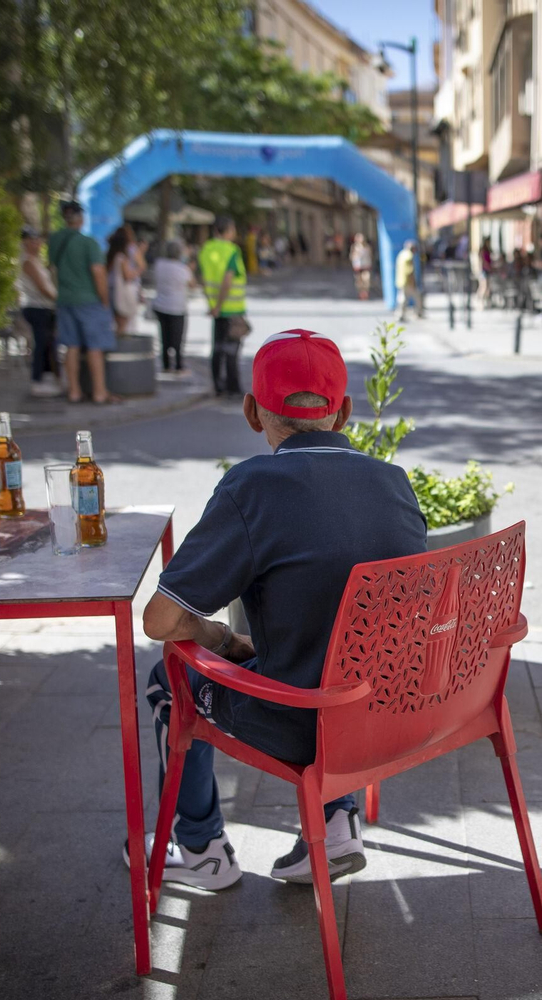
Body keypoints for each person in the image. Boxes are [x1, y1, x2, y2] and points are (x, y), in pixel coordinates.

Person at [130, 328, 428, 889]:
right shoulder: (394, 483)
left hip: (301, 721)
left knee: (166, 679)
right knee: (340, 659)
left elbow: (161, 621)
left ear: (250, 411)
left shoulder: (253, 486)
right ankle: (338, 819)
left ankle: (200, 851)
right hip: (396, 713)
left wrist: (221, 640)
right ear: (341, 413)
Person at [48, 199, 118, 405]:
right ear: (81, 219)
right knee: (95, 347)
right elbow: (99, 273)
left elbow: (53, 270)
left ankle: (74, 391)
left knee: (71, 346)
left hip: (65, 299)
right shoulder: (88, 243)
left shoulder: (55, 240)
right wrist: (105, 300)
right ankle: (99, 392)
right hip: (89, 301)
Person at [199, 216, 248, 398]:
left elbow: (204, 279)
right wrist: (220, 305)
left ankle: (217, 386)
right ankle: (232, 387)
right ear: (227, 231)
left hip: (215, 309)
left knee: (217, 348)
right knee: (231, 350)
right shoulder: (231, 250)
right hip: (232, 309)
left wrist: (212, 306)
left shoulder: (206, 249)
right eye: (233, 229)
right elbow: (228, 280)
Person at [17, 226, 60, 398]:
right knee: (41, 343)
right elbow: (42, 287)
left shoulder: (36, 260)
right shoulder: (28, 261)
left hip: (44, 307)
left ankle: (47, 377)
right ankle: (37, 381)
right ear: (25, 242)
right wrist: (58, 300)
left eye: (38, 239)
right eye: (32, 240)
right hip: (37, 307)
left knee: (47, 343)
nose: (37, 243)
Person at [151, 238, 196, 375]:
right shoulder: (182, 269)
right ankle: (178, 365)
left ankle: (166, 365)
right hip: (177, 307)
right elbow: (192, 284)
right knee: (177, 339)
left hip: (160, 305)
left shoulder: (159, 264)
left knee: (164, 337)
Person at [106, 225, 144, 335]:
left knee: (115, 321)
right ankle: (120, 347)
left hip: (110, 289)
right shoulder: (122, 257)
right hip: (120, 292)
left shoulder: (110, 255)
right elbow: (127, 276)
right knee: (122, 323)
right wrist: (137, 271)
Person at [395, 239, 423, 322]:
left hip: (401, 280)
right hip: (407, 281)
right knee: (416, 297)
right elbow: (409, 271)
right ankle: (417, 313)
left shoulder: (401, 254)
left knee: (402, 298)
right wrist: (413, 282)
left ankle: (400, 314)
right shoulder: (409, 256)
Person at [349, 233, 373, 300]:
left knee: (366, 279)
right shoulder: (354, 247)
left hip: (366, 265)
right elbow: (351, 256)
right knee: (359, 281)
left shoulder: (367, 247)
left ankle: (365, 292)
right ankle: (361, 292)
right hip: (358, 266)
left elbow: (370, 255)